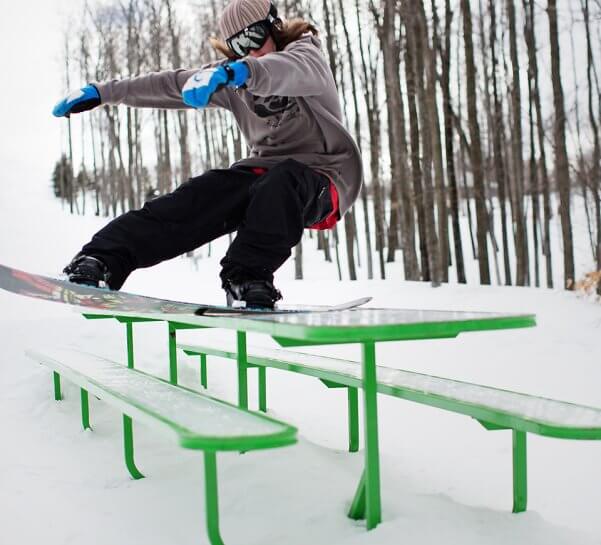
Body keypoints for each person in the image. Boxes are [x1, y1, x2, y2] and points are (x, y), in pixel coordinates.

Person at [53, 0, 362, 309]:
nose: (251, 51)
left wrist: (241, 71)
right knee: (199, 195)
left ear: (274, 27)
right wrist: (104, 93)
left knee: (282, 182)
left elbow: (281, 70)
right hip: (264, 173)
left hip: (326, 177)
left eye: (254, 38)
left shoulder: (305, 56)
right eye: (239, 46)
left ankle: (247, 276)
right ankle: (103, 259)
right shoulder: (231, 78)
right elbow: (169, 84)